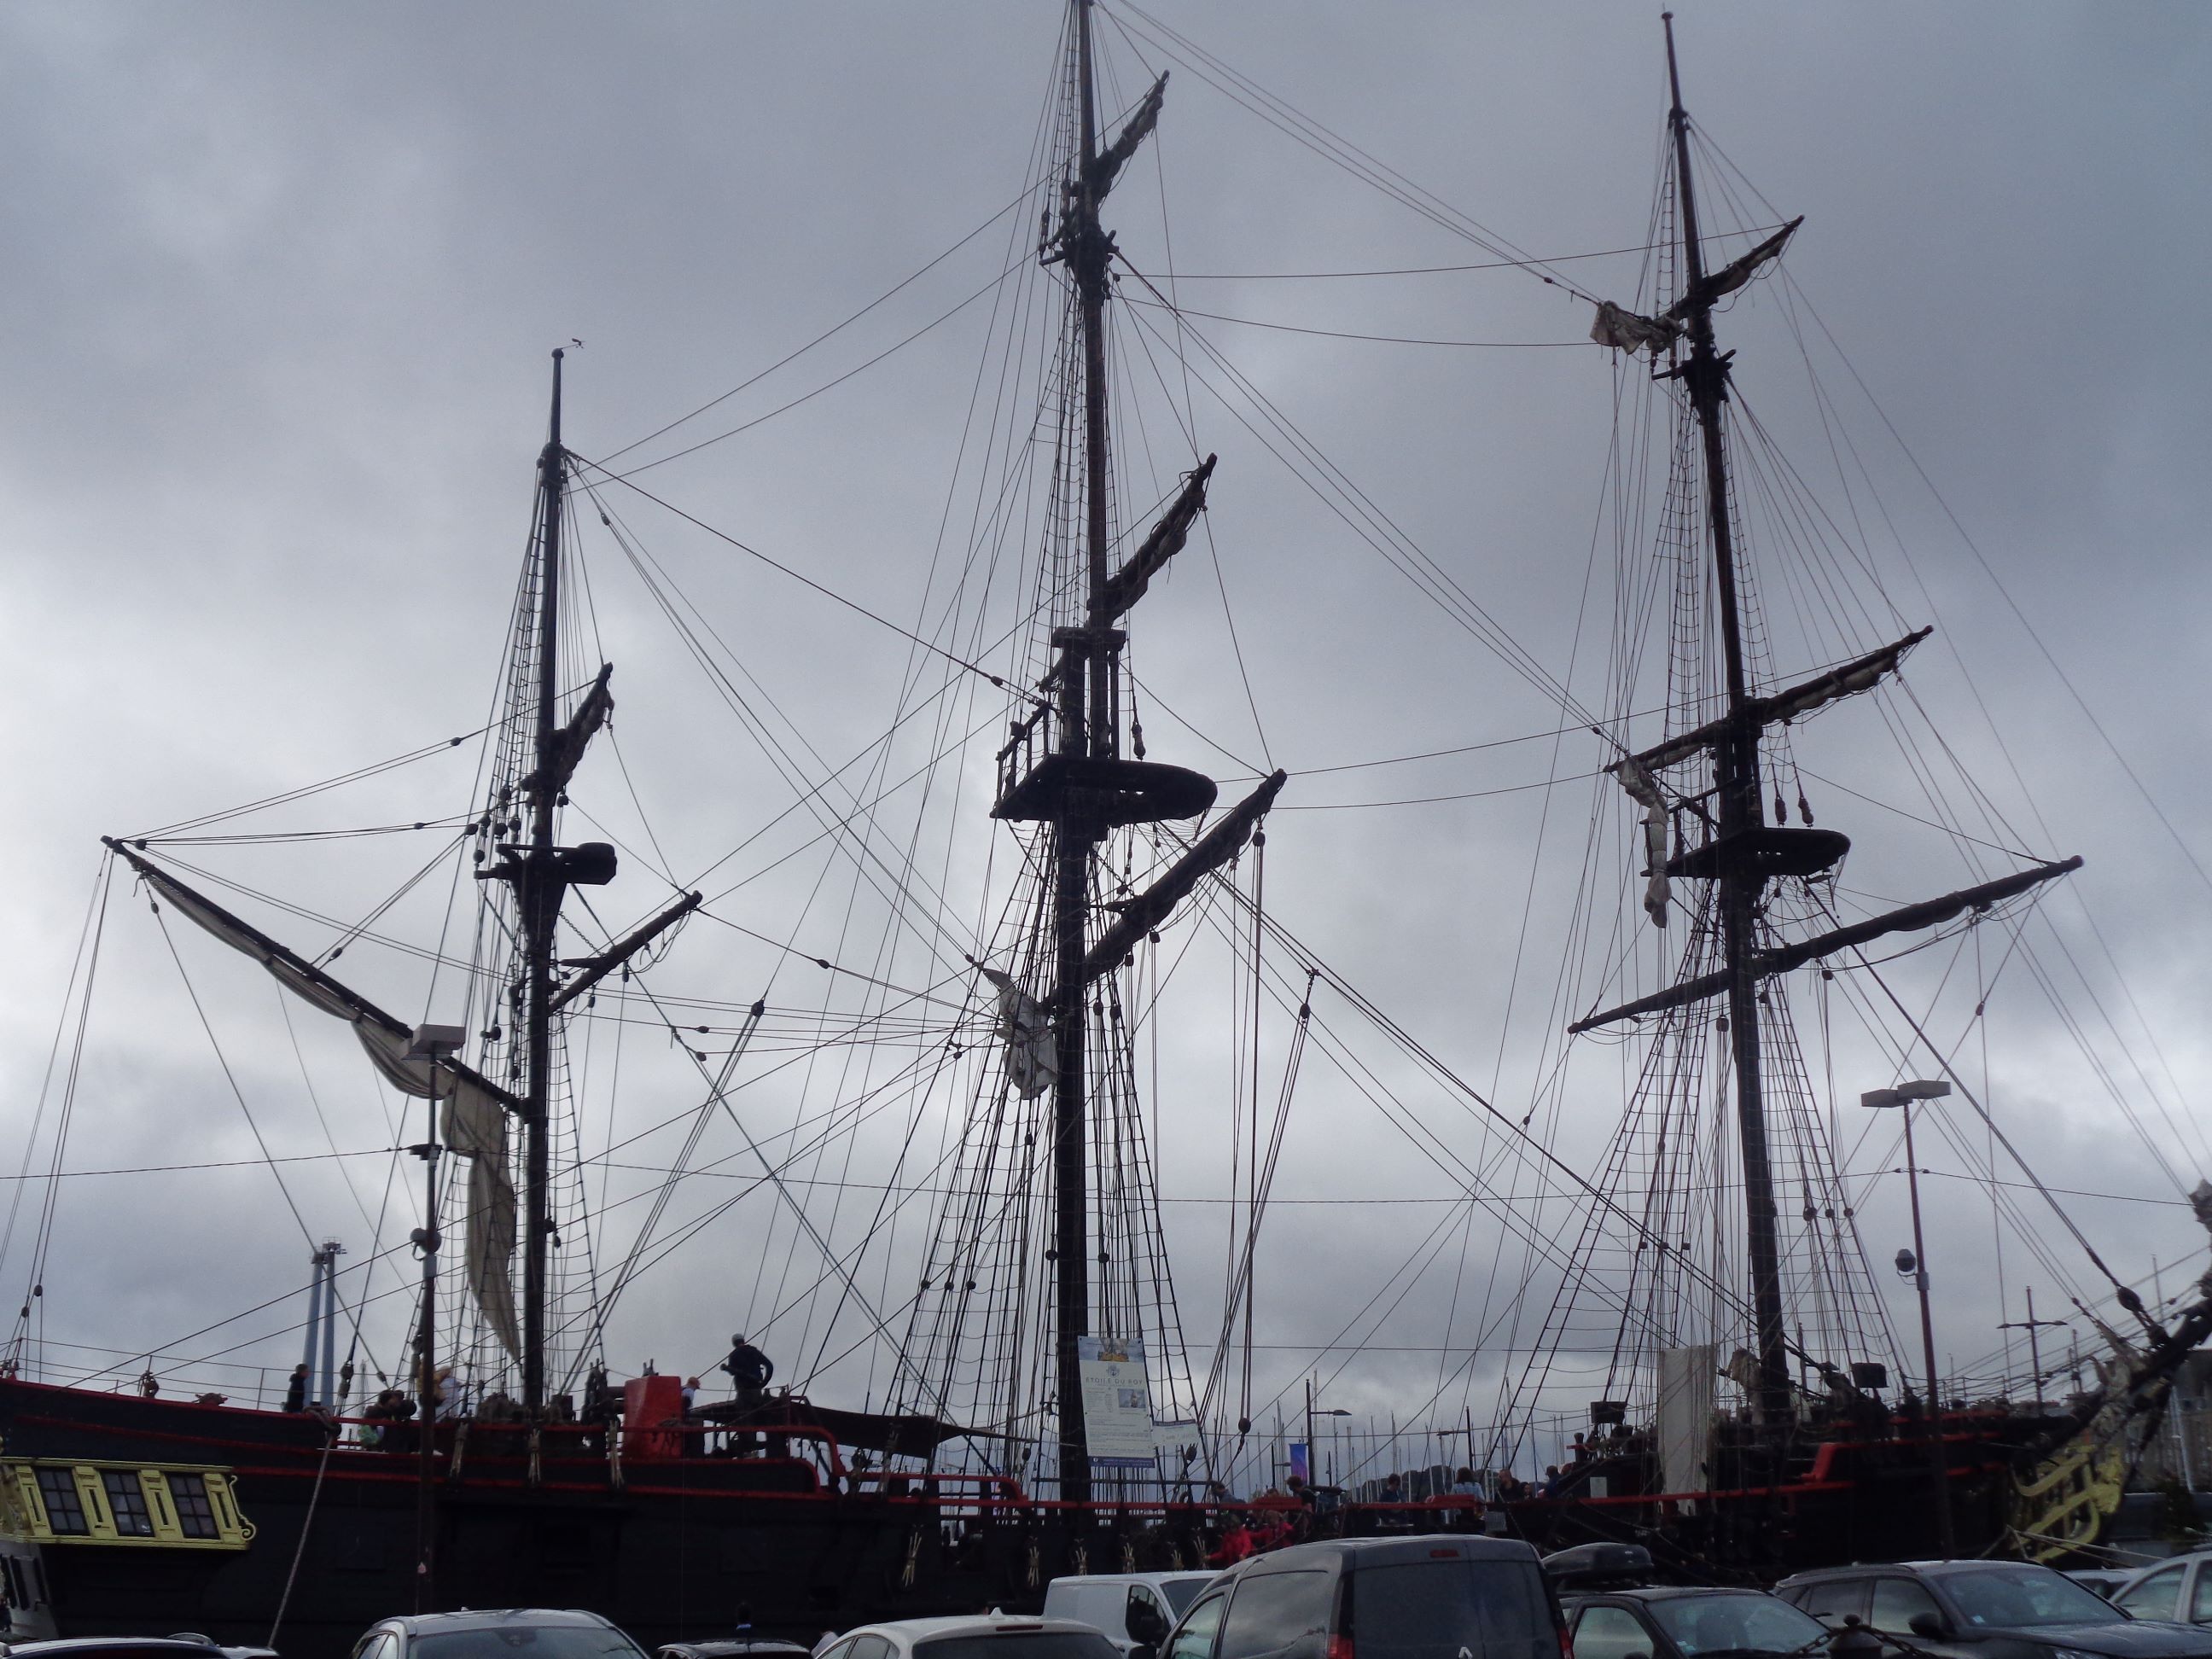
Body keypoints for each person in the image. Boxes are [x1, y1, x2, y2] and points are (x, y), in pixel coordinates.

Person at [724, 1334, 774, 1404]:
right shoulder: (754, 1351)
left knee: (745, 1411)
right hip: (756, 1387)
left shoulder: (734, 1355)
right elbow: (769, 1366)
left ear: (734, 1343)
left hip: (743, 1390)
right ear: (743, 1341)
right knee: (758, 1408)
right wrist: (764, 1382)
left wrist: (726, 1368)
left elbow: (732, 1372)